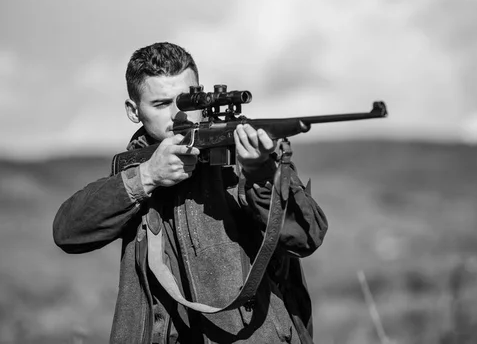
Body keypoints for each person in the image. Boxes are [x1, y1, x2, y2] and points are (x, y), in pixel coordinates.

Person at [53, 42, 328, 343]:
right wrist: (147, 177)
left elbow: (306, 235)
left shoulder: (248, 158)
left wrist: (261, 175)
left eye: (186, 101)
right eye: (160, 104)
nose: (178, 115)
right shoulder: (137, 170)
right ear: (134, 111)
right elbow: (68, 231)